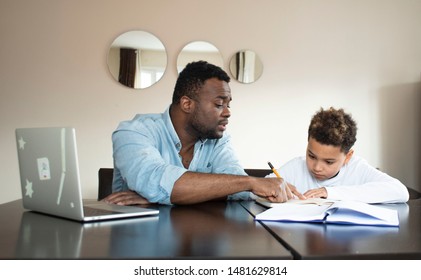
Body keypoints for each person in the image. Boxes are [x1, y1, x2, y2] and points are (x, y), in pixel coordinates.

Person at [103, 61, 303, 205]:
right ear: (187, 104)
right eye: (219, 104)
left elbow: (237, 190)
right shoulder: (134, 132)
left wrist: (160, 196)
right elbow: (156, 181)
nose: (228, 112)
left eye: (228, 104)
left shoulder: (217, 140)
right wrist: (249, 182)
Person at [268, 107, 409, 204]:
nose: (317, 167)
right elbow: (254, 192)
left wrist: (329, 192)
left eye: (329, 162)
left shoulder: (357, 168)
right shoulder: (296, 167)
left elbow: (400, 191)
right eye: (311, 156)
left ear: (348, 157)